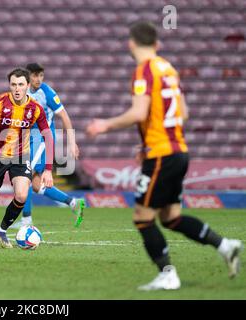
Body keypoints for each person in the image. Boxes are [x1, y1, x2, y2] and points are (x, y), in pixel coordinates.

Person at [86, 21, 243, 290]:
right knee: (171, 217)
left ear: (131, 43)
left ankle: (168, 274)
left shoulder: (144, 70)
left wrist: (105, 125)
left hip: (161, 154)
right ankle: (225, 245)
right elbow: (183, 113)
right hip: (178, 151)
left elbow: (138, 113)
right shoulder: (168, 69)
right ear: (156, 44)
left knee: (142, 218)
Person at [0, 67, 54, 248]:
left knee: (22, 195)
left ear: (28, 86)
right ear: (9, 85)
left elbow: (48, 136)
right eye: (13, 84)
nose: (17, 89)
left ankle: (1, 231)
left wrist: (48, 170)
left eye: (21, 85)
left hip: (21, 157)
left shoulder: (36, 109)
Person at [15, 62, 84, 228]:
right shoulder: (21, 92)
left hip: (43, 139)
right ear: (28, 76)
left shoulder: (47, 93)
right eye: (35, 75)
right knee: (37, 185)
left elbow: (65, 117)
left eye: (41, 75)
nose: (38, 79)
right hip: (29, 138)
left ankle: (26, 220)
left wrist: (72, 142)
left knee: (25, 175)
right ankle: (73, 202)